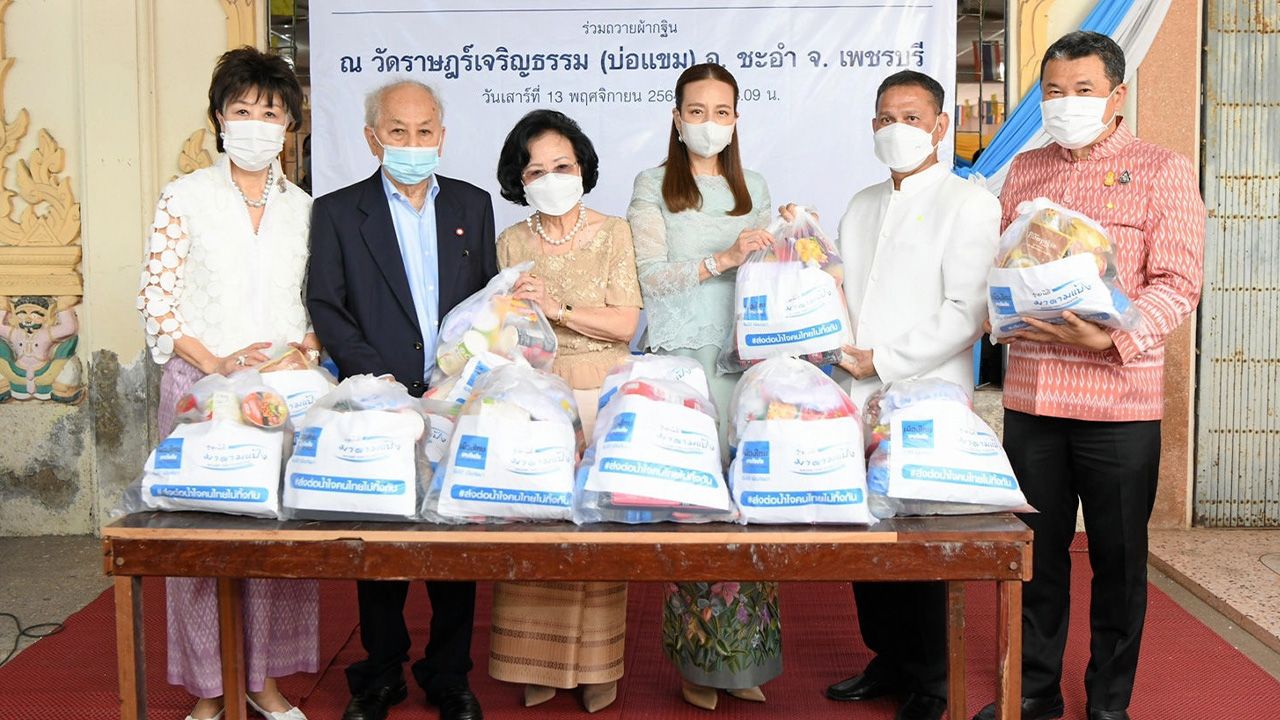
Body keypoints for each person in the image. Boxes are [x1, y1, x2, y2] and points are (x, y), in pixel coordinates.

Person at [971, 32, 1204, 720]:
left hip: (1119, 402)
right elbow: (1005, 267)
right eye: (1053, 91)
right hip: (1034, 396)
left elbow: (1180, 281)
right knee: (1035, 557)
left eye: (1082, 91)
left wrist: (1110, 334)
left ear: (1116, 95)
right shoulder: (1026, 172)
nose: (1065, 103)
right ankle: (1035, 693)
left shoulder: (1162, 168)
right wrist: (1000, 310)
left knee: (1118, 561)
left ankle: (1108, 702)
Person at [782, 69, 999, 720]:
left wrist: (888, 360)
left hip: (924, 393)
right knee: (868, 530)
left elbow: (967, 310)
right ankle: (887, 656)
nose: (894, 129)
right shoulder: (862, 202)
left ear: (940, 127)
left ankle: (932, 680)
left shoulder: (971, 204)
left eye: (909, 117)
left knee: (920, 536)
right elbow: (839, 292)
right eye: (883, 118)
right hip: (855, 389)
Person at [137, 46, 318, 720]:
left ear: (289, 125)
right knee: (201, 541)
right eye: (240, 110)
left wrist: (305, 348)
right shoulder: (183, 197)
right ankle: (212, 690)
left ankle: (264, 683)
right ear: (218, 118)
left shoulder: (305, 209)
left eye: (269, 113)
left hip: (278, 395)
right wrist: (213, 363)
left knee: (272, 543)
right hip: (198, 389)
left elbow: (316, 303)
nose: (254, 124)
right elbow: (157, 300)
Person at [306, 80, 496, 720]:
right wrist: (377, 383)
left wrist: (458, 378)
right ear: (372, 138)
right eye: (397, 132)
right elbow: (329, 307)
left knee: (454, 539)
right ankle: (379, 675)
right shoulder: (337, 212)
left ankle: (448, 674)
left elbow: (483, 306)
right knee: (380, 538)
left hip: (453, 399)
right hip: (375, 398)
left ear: (440, 136)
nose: (412, 144)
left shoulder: (473, 203)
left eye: (424, 132)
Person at [626, 62, 779, 711]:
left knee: (746, 505)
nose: (709, 123)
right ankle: (697, 660)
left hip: (744, 364)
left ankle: (744, 659)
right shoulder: (655, 183)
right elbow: (648, 276)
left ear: (737, 119)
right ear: (676, 116)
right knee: (691, 508)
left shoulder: (757, 186)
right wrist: (724, 258)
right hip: (680, 365)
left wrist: (788, 248)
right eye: (697, 110)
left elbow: (773, 272)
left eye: (721, 111)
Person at [487, 109, 642, 713]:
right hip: (531, 393)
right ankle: (537, 662)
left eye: (563, 166)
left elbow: (626, 322)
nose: (552, 177)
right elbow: (504, 323)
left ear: (582, 169)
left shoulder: (614, 232)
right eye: (537, 169)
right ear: (519, 179)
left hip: (600, 389)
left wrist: (559, 307)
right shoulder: (513, 241)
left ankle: (598, 666)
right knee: (535, 518)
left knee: (597, 527)